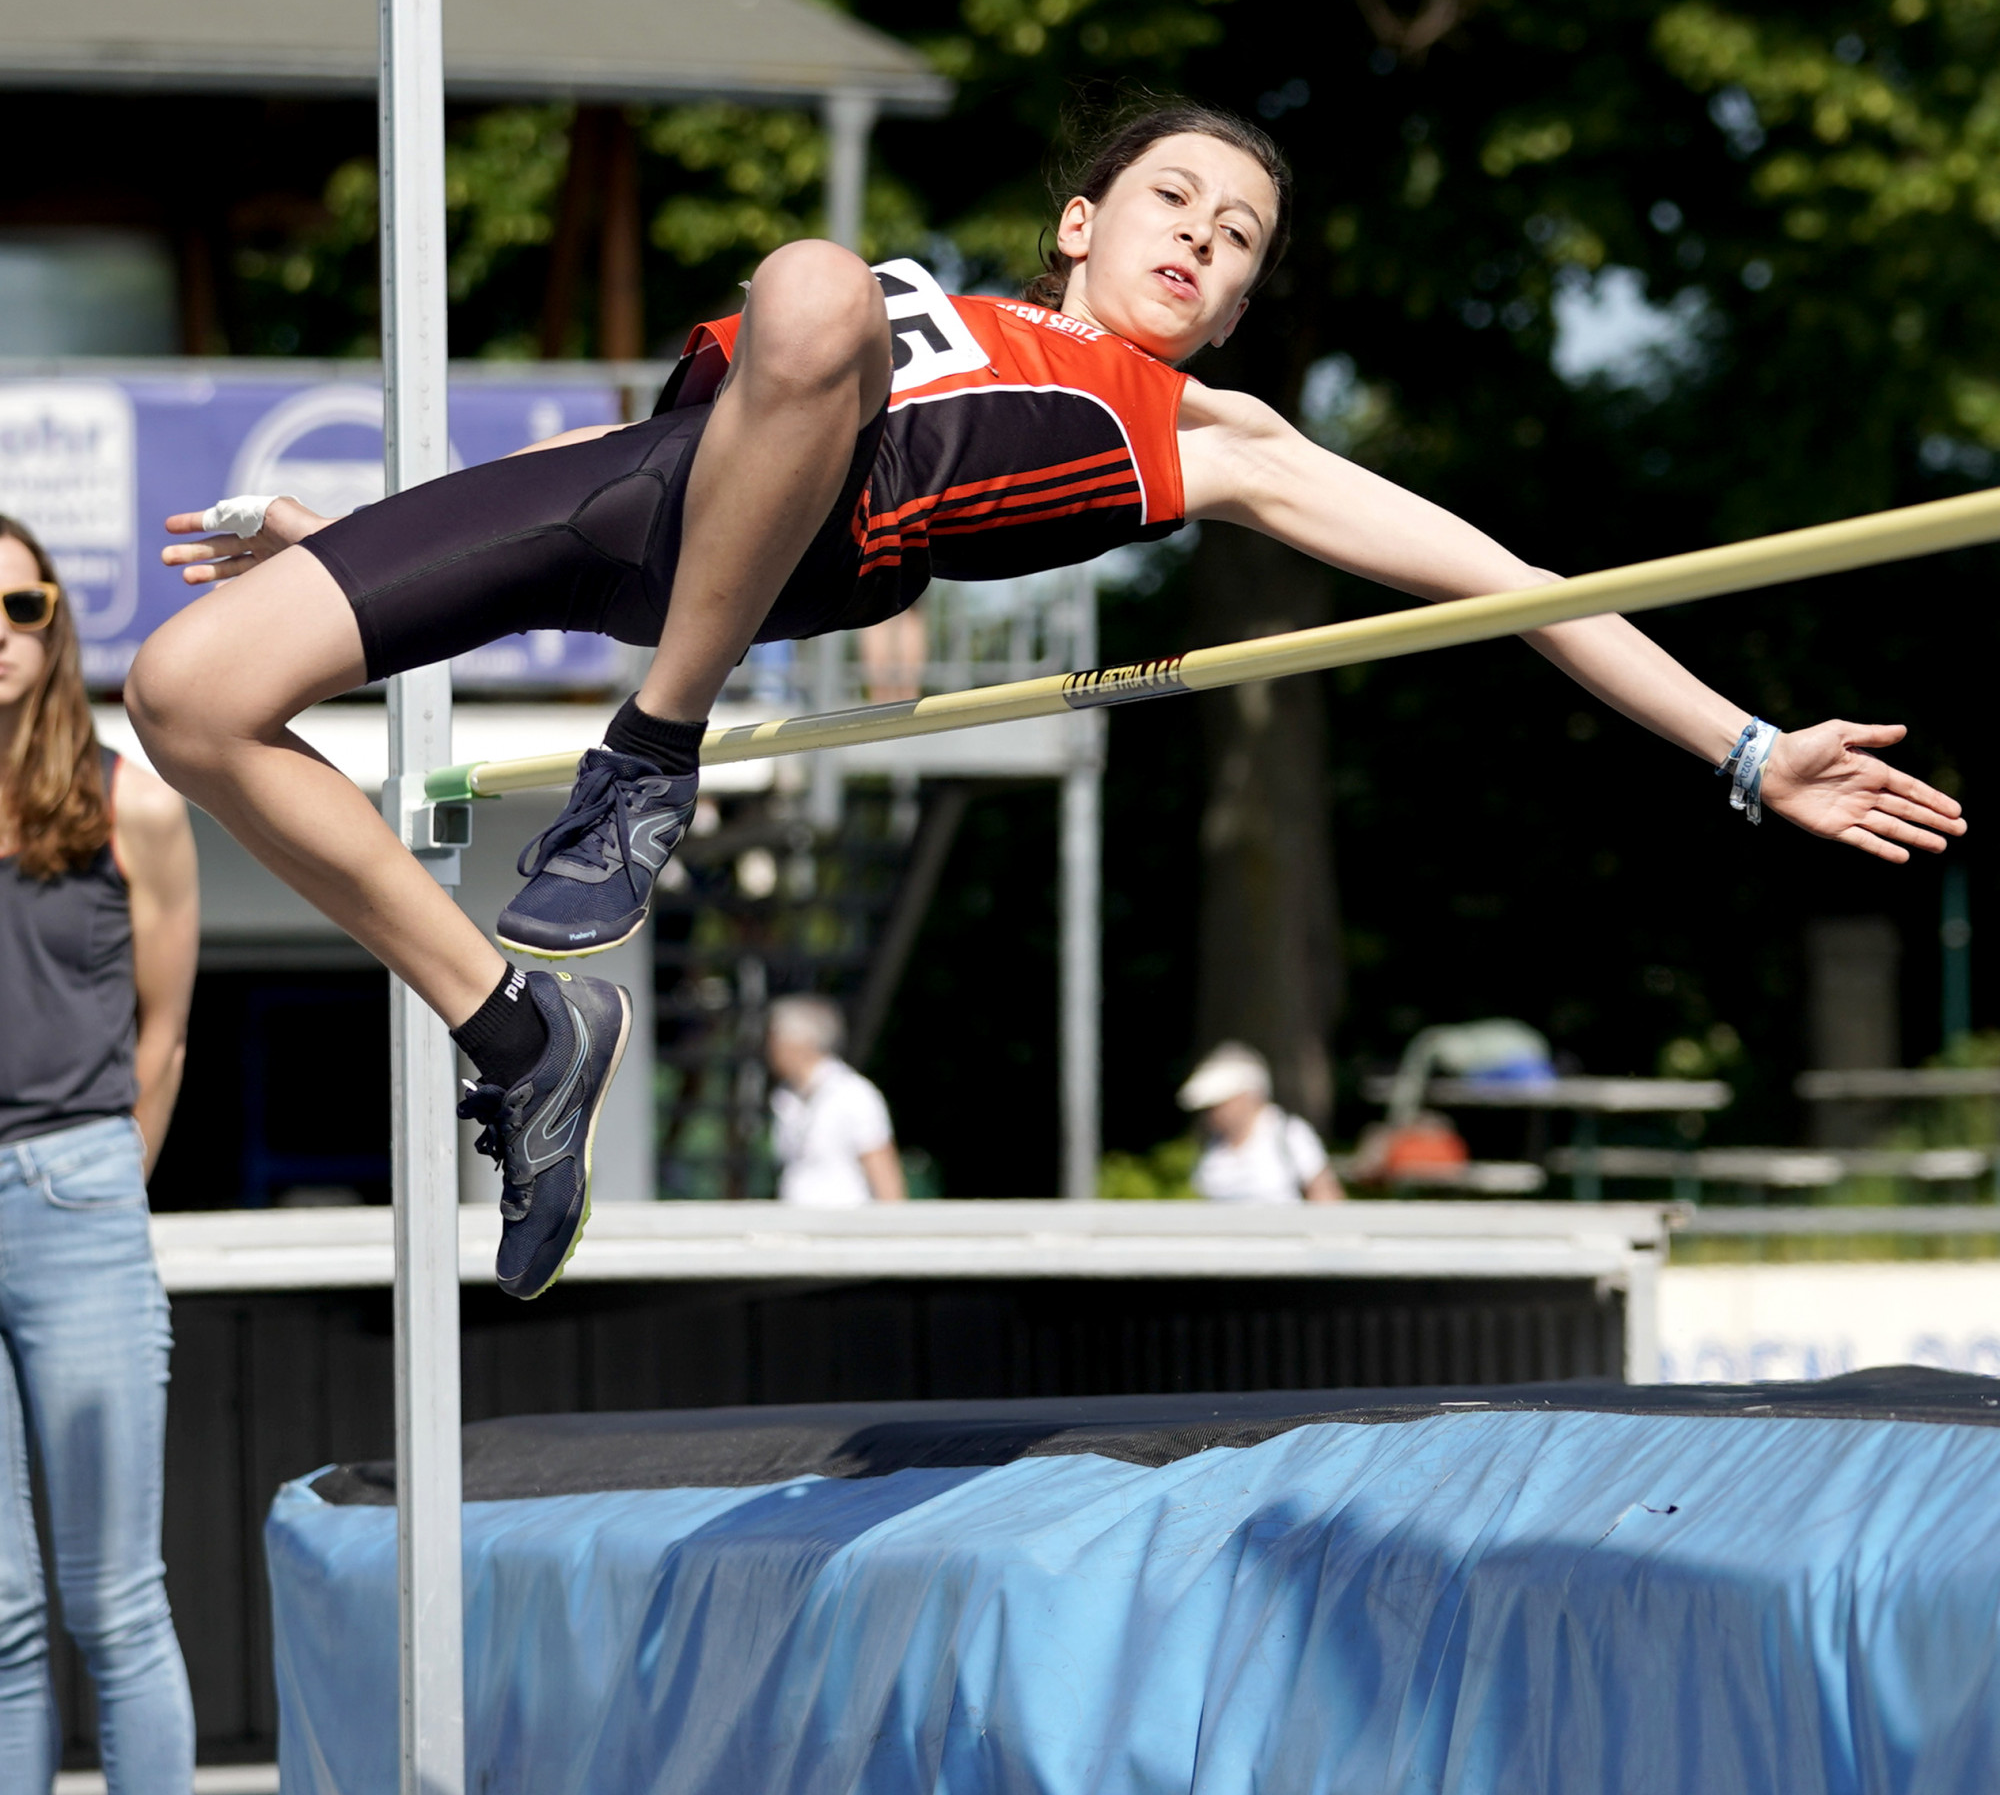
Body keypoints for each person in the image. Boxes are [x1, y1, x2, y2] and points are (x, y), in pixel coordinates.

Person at [126, 98, 1965, 1301]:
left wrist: (1740, 746)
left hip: (797, 534)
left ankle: (648, 762)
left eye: (1239, 240)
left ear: (1237, 310)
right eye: (1177, 200)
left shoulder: (1216, 437)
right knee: (194, 695)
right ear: (1080, 223)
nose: (1204, 241)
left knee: (816, 282)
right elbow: (661, 457)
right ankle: (519, 1040)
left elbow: (1518, 582)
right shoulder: (951, 296)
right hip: (640, 492)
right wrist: (342, 541)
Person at [0, 517, 200, 1791]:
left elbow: (167, 1031)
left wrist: (110, 1189)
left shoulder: (135, 800)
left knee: (115, 1605)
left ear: (55, 620)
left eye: (23, 606)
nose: (2, 633)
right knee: (1, 1622)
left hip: (77, 1196)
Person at [764, 995, 907, 1205]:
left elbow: (883, 1171)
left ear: (800, 1043)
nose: (770, 1049)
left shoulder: (853, 1094)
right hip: (798, 1227)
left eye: (775, 1039)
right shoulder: (785, 1098)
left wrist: (895, 1231)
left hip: (846, 1229)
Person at [1177, 1042, 1342, 1204]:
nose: (1214, 1113)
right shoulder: (1210, 1145)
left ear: (1248, 1095)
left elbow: (1325, 1195)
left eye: (1221, 1103)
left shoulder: (1288, 1133)